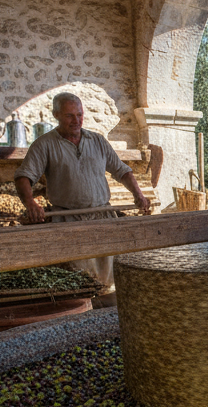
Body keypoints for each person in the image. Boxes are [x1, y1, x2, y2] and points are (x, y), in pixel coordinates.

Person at [14, 92, 151, 307]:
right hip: (68, 219)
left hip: (103, 217)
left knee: (110, 275)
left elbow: (121, 170)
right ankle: (83, 317)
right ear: (56, 114)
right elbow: (24, 176)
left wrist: (138, 194)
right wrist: (30, 202)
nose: (76, 120)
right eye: (69, 116)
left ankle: (111, 318)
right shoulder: (45, 144)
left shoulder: (97, 140)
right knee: (80, 276)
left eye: (79, 114)